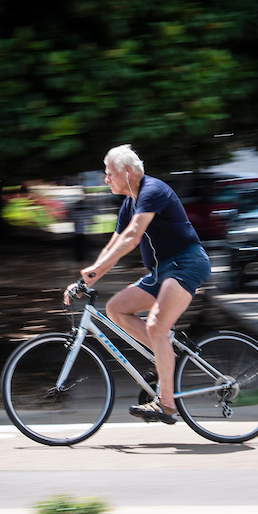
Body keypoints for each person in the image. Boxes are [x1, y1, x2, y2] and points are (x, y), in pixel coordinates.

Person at [63, 145, 211, 424]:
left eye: (109, 173)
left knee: (156, 325)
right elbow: (113, 244)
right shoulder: (129, 203)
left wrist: (94, 271)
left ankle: (166, 404)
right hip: (162, 272)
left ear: (127, 172)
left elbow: (132, 237)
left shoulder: (152, 190)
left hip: (187, 263)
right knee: (116, 309)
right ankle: (164, 353)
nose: (105, 179)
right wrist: (85, 279)